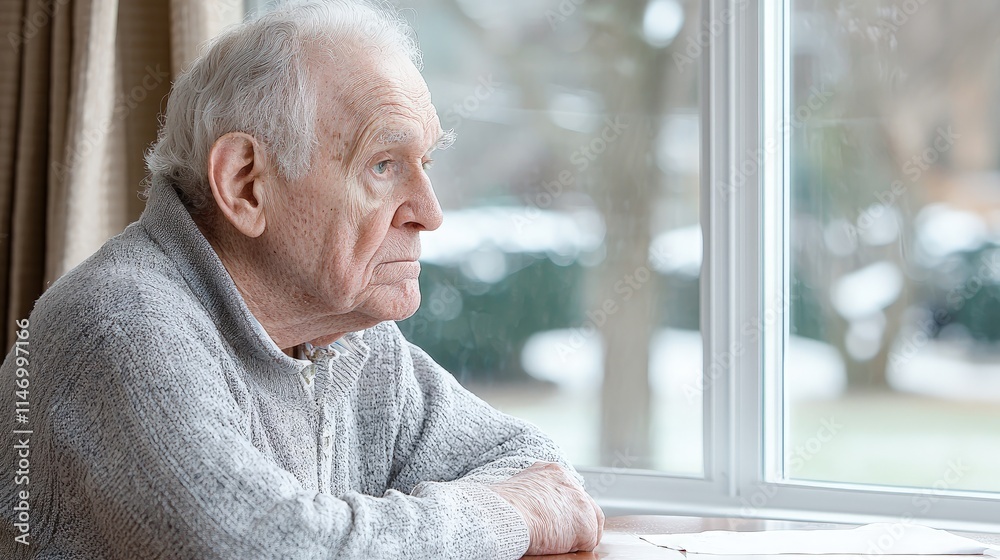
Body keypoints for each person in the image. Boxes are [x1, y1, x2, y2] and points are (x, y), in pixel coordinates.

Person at [0, 1, 604, 558]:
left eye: (425, 163)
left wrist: (494, 509)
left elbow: (534, 471)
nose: (430, 211)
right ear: (245, 184)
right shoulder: (121, 327)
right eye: (383, 165)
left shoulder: (349, 339)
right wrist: (499, 515)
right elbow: (268, 547)